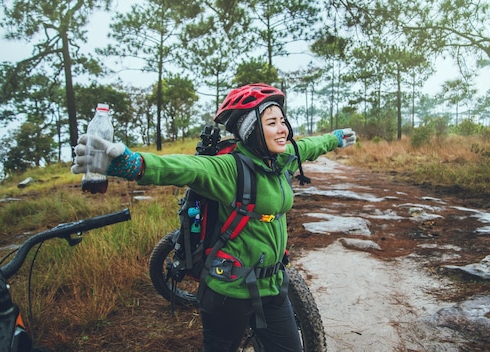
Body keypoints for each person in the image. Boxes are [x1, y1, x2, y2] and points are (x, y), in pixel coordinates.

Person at [71, 83, 356, 352]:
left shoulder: (280, 160)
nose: (282, 130)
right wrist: (133, 163)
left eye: (283, 121)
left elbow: (308, 146)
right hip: (228, 292)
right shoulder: (228, 168)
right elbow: (186, 168)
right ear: (252, 131)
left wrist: (335, 138)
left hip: (272, 285)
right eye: (271, 123)